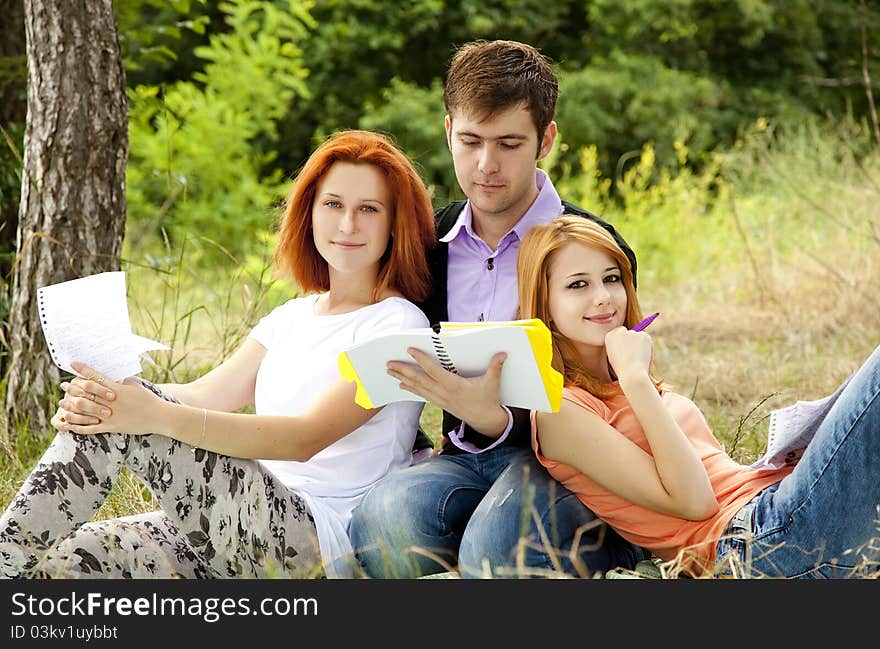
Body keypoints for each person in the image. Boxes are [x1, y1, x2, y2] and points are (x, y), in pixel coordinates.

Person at [0, 129, 437, 579]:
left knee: (131, 415)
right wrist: (102, 396)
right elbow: (203, 394)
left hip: (312, 547)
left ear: (394, 223)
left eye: (368, 209)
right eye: (333, 204)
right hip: (227, 531)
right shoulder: (291, 317)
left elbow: (304, 439)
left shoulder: (399, 327)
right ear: (309, 214)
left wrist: (149, 412)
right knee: (66, 560)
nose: (347, 225)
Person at [349, 39, 646, 578]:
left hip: (566, 459)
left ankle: (613, 556)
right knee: (383, 518)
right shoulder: (425, 241)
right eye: (470, 141)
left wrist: (505, 418)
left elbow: (618, 390)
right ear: (447, 132)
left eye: (509, 143)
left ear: (546, 140)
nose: (486, 165)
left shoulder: (591, 249)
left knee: (497, 544)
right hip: (463, 457)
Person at [518, 214, 880, 578]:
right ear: (544, 303)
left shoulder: (627, 383)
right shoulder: (558, 411)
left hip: (781, 505)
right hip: (753, 546)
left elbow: (716, 477)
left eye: (611, 279)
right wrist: (636, 380)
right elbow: (696, 502)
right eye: (578, 285)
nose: (603, 298)